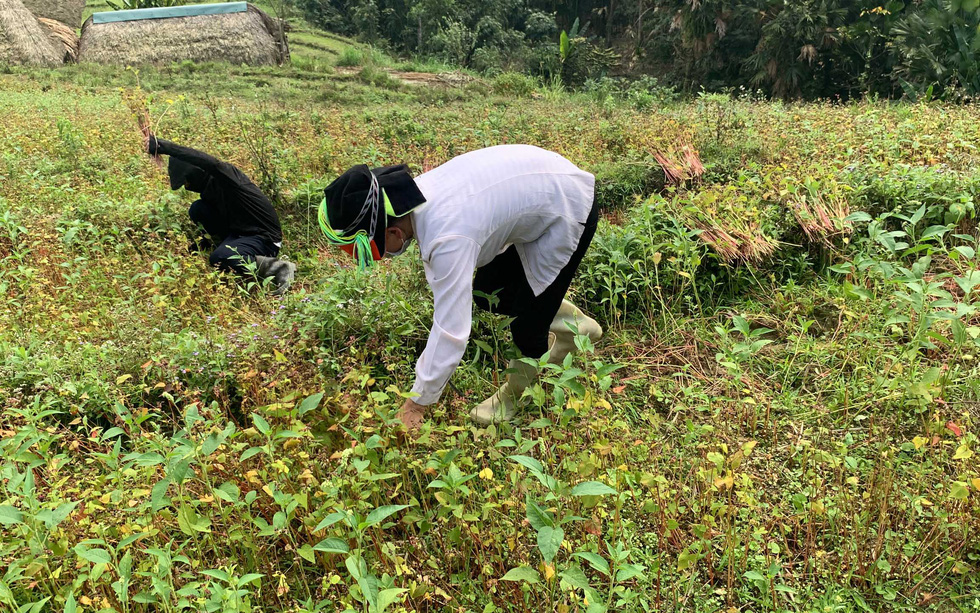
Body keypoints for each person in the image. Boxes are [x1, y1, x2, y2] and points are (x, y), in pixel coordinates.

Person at [318, 145, 603, 429]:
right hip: (546, 187)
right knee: (489, 292)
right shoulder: (424, 195)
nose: (377, 260)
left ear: (393, 232)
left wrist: (416, 404)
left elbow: (451, 331)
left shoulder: (446, 237)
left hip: (570, 205)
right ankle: (576, 325)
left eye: (369, 252)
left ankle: (516, 395)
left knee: (527, 329)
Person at [145, 133, 296, 294]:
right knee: (198, 209)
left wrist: (165, 147)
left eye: (187, 181)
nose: (188, 186)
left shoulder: (226, 176)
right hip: (238, 231)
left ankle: (279, 267)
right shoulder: (208, 188)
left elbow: (210, 163)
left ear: (196, 171)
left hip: (264, 238)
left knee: (220, 257)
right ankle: (220, 243)